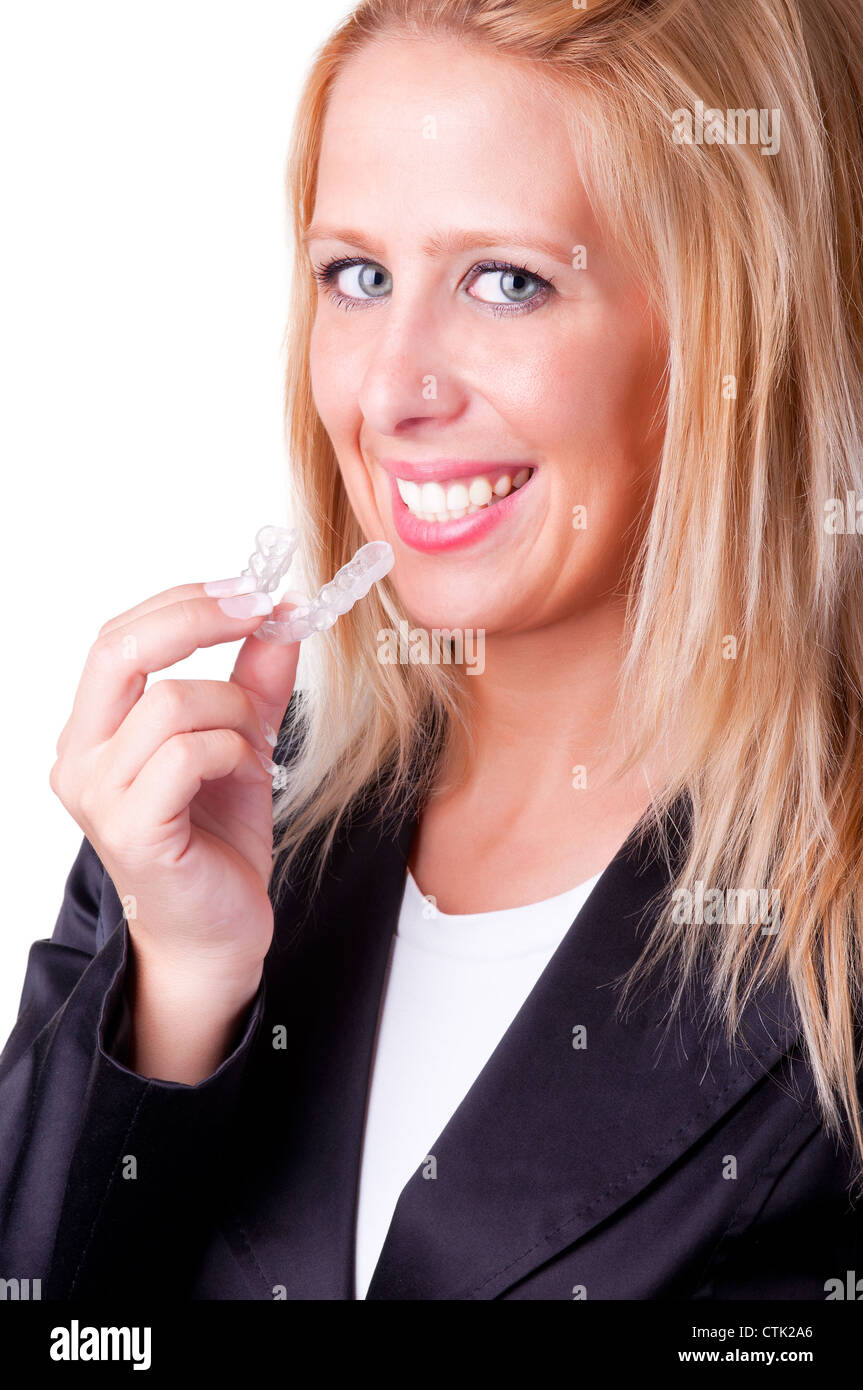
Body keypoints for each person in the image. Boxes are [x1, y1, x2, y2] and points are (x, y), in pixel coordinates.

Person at [2, 0, 863, 1300]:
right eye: (358, 276)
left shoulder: (826, 926)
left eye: (508, 281)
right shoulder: (220, 815)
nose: (389, 391)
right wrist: (177, 997)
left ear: (734, 328)